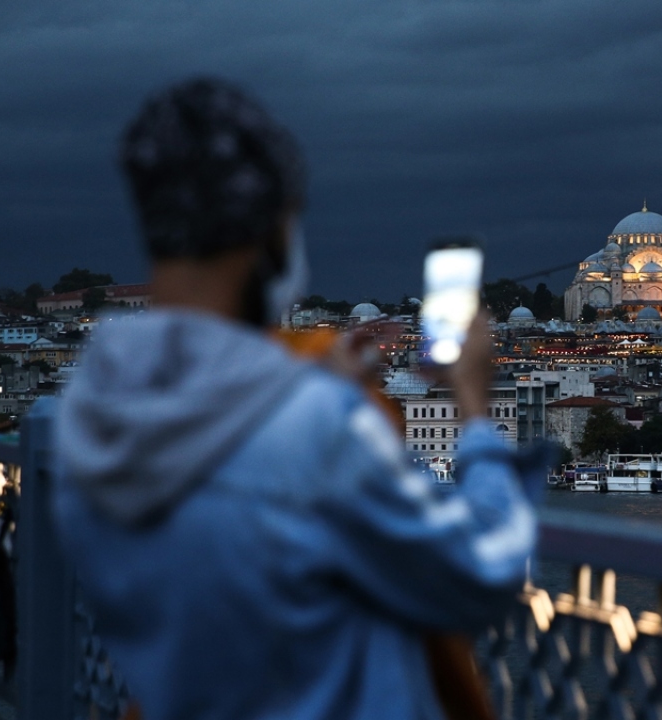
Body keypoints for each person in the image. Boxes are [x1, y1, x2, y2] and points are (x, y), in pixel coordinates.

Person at [52, 77, 545, 720]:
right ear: (271, 231)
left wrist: (306, 383)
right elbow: (486, 566)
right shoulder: (319, 429)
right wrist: (475, 409)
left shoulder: (92, 412)